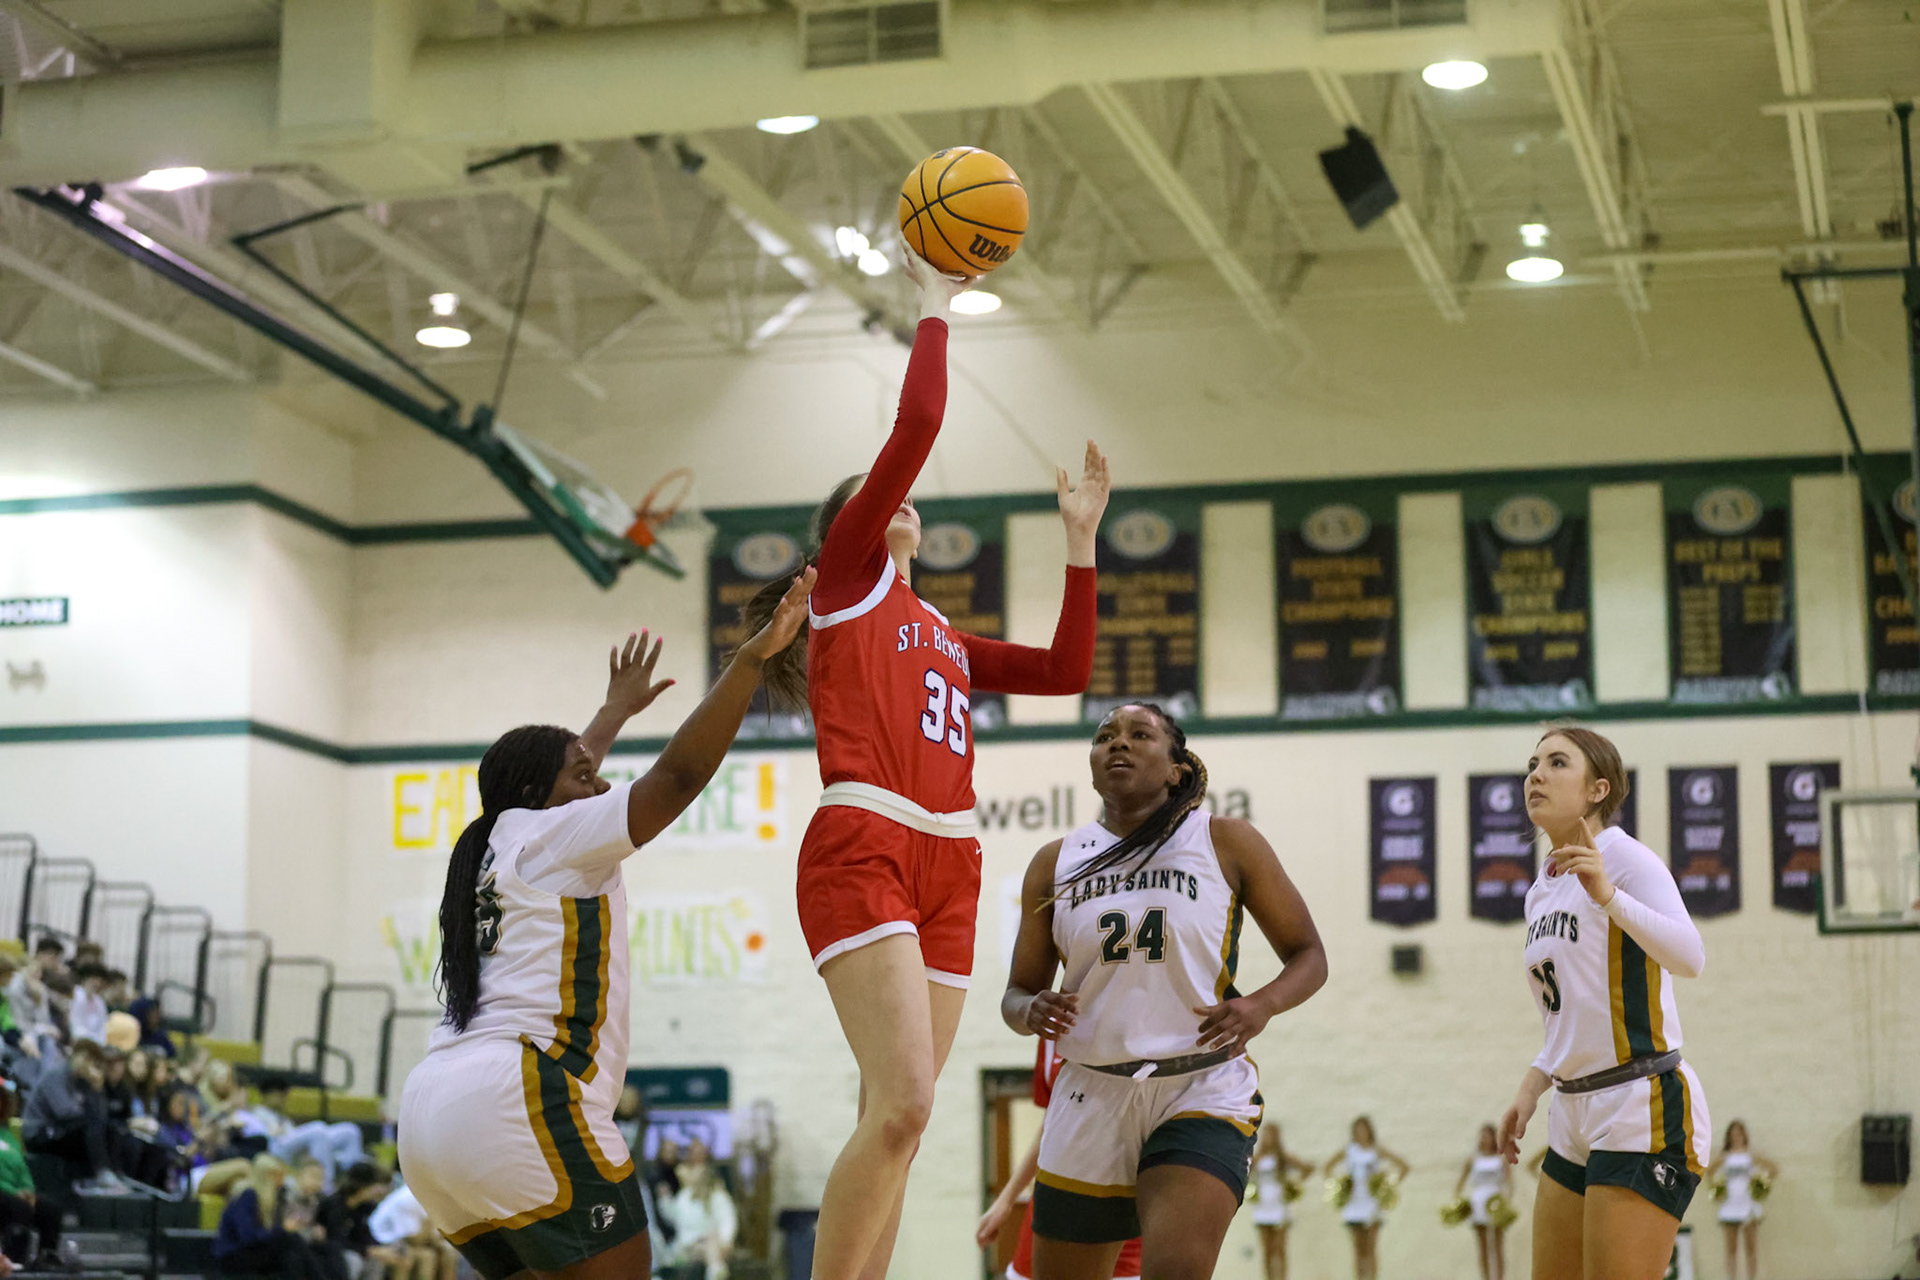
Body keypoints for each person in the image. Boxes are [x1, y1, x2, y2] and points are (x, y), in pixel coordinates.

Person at [735, 250, 1107, 1280]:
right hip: (864, 836)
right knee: (901, 1103)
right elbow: (917, 431)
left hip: (951, 858)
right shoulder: (849, 583)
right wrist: (935, 306)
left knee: (898, 1117)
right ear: (845, 531)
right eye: (873, 497)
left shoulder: (936, 623)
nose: (896, 500)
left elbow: (1064, 666)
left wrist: (1079, 543)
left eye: (897, 499)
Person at [398, 585, 815, 1280]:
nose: (599, 785)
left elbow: (557, 777)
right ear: (545, 792)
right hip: (519, 1098)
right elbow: (678, 777)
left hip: (429, 1118)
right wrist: (748, 663)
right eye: (585, 775)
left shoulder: (493, 844)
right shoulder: (558, 834)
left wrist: (612, 713)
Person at [1002, 703, 1327, 1280]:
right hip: (1090, 1091)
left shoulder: (1225, 841)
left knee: (1175, 1269)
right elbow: (1016, 993)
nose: (1117, 744)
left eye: (1139, 734)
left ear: (1177, 769)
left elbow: (1309, 955)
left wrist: (1262, 1004)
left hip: (1200, 1083)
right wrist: (1032, 1009)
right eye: (1105, 736)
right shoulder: (1055, 861)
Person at [1497, 726, 1711, 1280]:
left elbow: (1690, 957)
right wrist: (1531, 1085)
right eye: (1532, 763)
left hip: (1639, 1100)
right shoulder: (1540, 890)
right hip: (1571, 1107)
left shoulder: (1623, 857)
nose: (1535, 775)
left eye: (1556, 763)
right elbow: (1572, 1010)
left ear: (1597, 789)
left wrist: (1611, 899)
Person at [974, 1040, 1142, 1280]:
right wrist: (1006, 1199)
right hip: (1055, 1199)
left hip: (1122, 1206)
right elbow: (1053, 1125)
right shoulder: (1049, 1028)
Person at [20, 1039, 124, 1193]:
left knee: (111, 1127)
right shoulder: (56, 1075)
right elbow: (64, 1112)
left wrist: (97, 1089)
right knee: (88, 1125)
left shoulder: (83, 1081)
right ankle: (101, 1173)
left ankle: (112, 1173)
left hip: (62, 1131)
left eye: (92, 1060)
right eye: (85, 1058)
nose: (87, 1064)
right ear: (74, 1056)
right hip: (39, 1132)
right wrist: (88, 1110)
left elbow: (101, 1116)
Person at [214, 1154, 327, 1279]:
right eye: (278, 1176)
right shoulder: (247, 1196)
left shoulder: (266, 1200)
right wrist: (283, 1229)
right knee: (291, 1240)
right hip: (233, 1256)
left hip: (251, 1253)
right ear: (267, 1176)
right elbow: (248, 1237)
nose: (281, 1182)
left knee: (293, 1257)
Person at [1323, 1117, 1409, 1280]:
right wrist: (1339, 1187)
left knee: (1371, 1248)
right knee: (1358, 1248)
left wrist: (1389, 1185)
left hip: (1372, 1204)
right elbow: (1328, 1167)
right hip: (1354, 1203)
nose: (1361, 1133)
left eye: (1364, 1129)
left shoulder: (1376, 1150)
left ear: (1369, 1131)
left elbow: (1403, 1166)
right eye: (1357, 1129)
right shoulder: (1349, 1151)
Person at [241, 1077, 364, 1189]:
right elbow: (254, 1136)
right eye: (278, 1095)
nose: (282, 1099)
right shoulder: (255, 1113)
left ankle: (354, 1183)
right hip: (273, 1149)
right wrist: (272, 1132)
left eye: (284, 1095)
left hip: (293, 1147)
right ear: (266, 1095)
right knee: (318, 1129)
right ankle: (325, 1187)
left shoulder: (284, 1117)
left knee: (350, 1131)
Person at [0, 1087, 64, 1268]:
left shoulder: (8, 1133)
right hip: (5, 1193)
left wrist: (28, 1190)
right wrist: (15, 1192)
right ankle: (14, 1261)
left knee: (51, 1209)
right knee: (18, 1207)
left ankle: (46, 1257)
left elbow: (22, 1167)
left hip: (14, 1194)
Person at [1708, 1120, 1777, 1280]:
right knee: (1731, 1250)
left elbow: (1773, 1169)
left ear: (1744, 1135)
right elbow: (1710, 1172)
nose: (1736, 1137)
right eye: (1733, 1134)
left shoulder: (1751, 1155)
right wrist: (1719, 1188)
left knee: (1751, 1249)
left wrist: (1762, 1183)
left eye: (1739, 1133)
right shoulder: (1724, 1156)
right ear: (1729, 1136)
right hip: (1730, 1206)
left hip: (1748, 1206)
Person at [1248, 1123, 1313, 1280]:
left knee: (1279, 1248)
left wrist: (1293, 1185)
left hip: (1279, 1204)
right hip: (1263, 1203)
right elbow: (1246, 1172)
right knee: (1267, 1249)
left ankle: (1282, 1277)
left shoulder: (1284, 1157)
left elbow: (1307, 1169)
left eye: (1272, 1134)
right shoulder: (1257, 1157)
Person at [1454, 1124, 1512, 1280]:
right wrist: (1459, 1202)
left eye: (1487, 1135)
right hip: (1478, 1202)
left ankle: (1500, 1277)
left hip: (1495, 1201)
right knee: (1483, 1246)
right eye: (1482, 1135)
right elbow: (1460, 1183)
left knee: (1498, 1245)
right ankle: (1485, 1277)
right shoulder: (1473, 1159)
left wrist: (1506, 1201)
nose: (1484, 1138)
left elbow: (1509, 1182)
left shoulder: (1501, 1158)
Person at [666, 1152, 737, 1280]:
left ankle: (715, 1271)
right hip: (687, 1245)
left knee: (711, 1243)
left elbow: (727, 1220)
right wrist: (664, 1199)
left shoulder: (717, 1196)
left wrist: (726, 1242)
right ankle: (716, 1269)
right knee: (707, 1247)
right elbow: (673, 1217)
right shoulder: (684, 1196)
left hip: (713, 1243)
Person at [68, 965, 109, 1050]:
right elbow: (74, 1023)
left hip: (96, 1042)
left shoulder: (99, 1002)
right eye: (94, 979)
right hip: (78, 1040)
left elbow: (102, 1026)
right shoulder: (75, 996)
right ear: (85, 979)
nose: (97, 983)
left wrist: (101, 1042)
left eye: (99, 981)